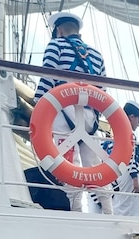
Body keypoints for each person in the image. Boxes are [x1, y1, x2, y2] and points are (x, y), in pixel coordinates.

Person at [34, 12, 112, 214]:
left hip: (63, 112)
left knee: (69, 162)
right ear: (77, 31)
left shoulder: (55, 46)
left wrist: (37, 110)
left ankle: (76, 209)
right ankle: (107, 208)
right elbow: (103, 91)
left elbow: (47, 78)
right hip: (90, 116)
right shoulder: (96, 54)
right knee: (93, 165)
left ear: (58, 30)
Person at [107, 101, 139, 216]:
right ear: (132, 117)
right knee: (131, 206)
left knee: (120, 203)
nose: (138, 124)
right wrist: (135, 179)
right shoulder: (129, 134)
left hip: (119, 174)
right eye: (138, 120)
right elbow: (130, 157)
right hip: (129, 174)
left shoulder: (115, 133)